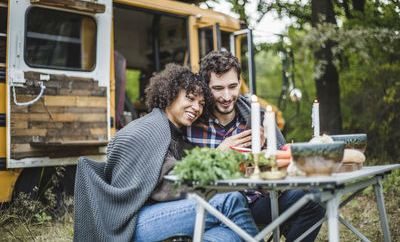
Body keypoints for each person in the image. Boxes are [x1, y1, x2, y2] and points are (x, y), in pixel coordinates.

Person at [73, 63, 259, 242]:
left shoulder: (174, 135)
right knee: (230, 201)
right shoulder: (150, 130)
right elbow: (172, 186)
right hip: (129, 223)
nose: (196, 107)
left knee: (227, 234)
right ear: (170, 95)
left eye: (201, 103)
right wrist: (216, 156)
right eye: (190, 98)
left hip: (155, 214)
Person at [184, 51, 326, 242]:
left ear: (240, 82)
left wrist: (266, 155)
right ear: (205, 87)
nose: (227, 96)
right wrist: (217, 155)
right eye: (218, 88)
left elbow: (283, 163)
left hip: (257, 202)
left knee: (315, 197)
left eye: (232, 87)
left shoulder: (256, 115)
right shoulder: (191, 123)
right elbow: (183, 176)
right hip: (216, 206)